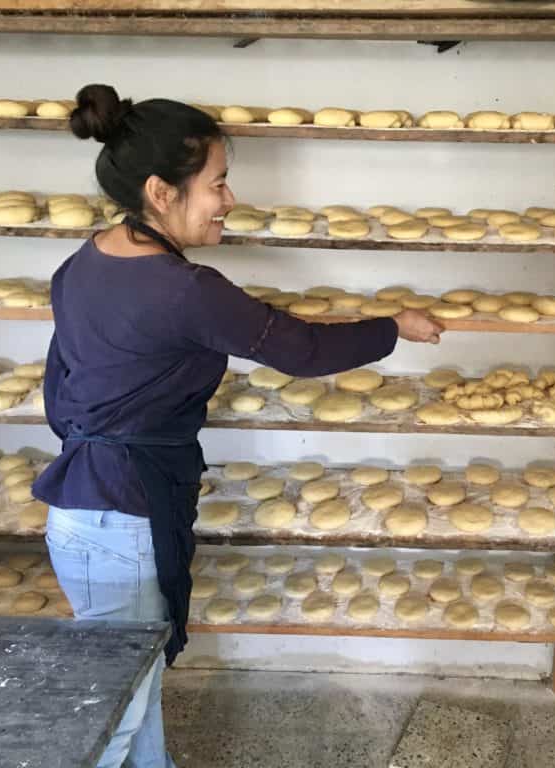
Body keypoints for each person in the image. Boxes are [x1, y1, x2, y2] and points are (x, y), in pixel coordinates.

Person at [32, 83, 444, 768]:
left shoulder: (83, 264)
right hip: (121, 519)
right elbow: (302, 351)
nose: (228, 200)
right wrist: (393, 326)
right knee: (112, 717)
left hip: (81, 511)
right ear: (163, 192)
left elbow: (60, 390)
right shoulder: (186, 291)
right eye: (217, 184)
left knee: (129, 694)